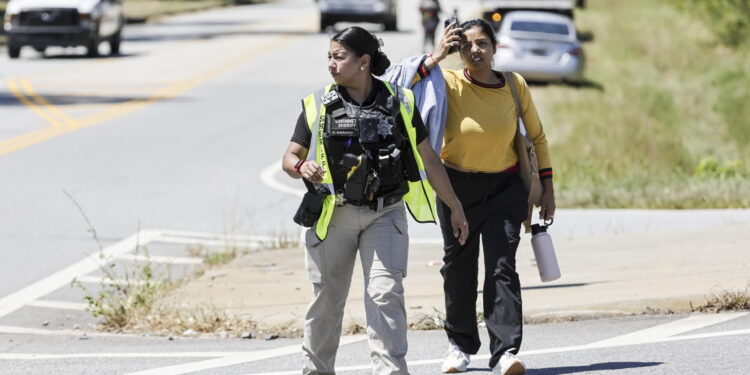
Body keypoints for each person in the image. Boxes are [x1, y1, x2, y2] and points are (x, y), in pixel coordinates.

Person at [282, 26, 469, 375]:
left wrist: (455, 207)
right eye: (329, 57)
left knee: (385, 294)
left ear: (364, 61)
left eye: (339, 57)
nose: (331, 65)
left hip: (385, 214)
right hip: (333, 216)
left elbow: (430, 160)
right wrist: (301, 166)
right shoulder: (318, 104)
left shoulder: (400, 101)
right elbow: (289, 157)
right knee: (327, 303)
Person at [410, 19, 557, 375]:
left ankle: (506, 351)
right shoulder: (446, 82)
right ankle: (459, 347)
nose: (474, 51)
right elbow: (401, 86)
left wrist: (547, 189)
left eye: (482, 44)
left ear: (495, 48)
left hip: (506, 188)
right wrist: (438, 53)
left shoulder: (513, 84)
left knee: (502, 266)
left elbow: (536, 137)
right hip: (456, 189)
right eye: (466, 46)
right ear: (458, 52)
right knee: (458, 266)